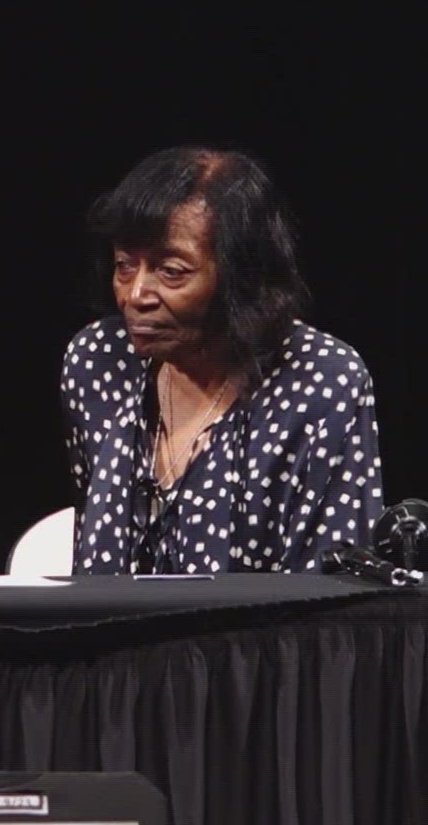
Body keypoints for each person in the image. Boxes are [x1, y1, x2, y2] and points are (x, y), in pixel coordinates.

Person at [63, 146, 383, 573]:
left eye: (171, 271)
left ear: (241, 276)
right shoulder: (99, 362)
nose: (135, 295)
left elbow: (335, 596)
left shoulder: (321, 381)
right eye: (125, 265)